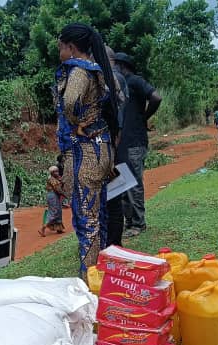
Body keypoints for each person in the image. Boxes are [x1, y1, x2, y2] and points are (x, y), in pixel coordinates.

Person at [54, 23, 118, 278]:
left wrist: (74, 120)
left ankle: (90, 284)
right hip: (100, 149)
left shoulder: (78, 69)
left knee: (86, 221)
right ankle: (101, 275)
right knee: (98, 215)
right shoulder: (98, 69)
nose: (59, 52)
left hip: (85, 154)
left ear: (71, 48)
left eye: (60, 47)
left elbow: (70, 101)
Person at [113, 52, 162, 238]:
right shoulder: (122, 87)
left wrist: (144, 117)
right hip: (124, 143)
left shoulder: (134, 81)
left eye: (116, 65)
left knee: (133, 183)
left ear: (122, 66)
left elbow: (156, 97)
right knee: (124, 183)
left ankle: (138, 224)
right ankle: (130, 223)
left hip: (134, 142)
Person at [104, 46, 128, 247]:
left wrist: (111, 154)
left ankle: (113, 244)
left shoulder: (113, 80)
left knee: (112, 200)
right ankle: (113, 243)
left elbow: (117, 121)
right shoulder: (118, 78)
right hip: (116, 146)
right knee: (113, 198)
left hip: (113, 147)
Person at [40, 166, 67, 237]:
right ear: (51, 173)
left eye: (57, 171)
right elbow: (58, 189)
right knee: (54, 212)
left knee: (58, 211)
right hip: (53, 196)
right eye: (55, 172)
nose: (57, 173)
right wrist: (65, 195)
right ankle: (43, 228)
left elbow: (61, 185)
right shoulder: (52, 179)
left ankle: (59, 228)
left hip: (54, 195)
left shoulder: (56, 178)